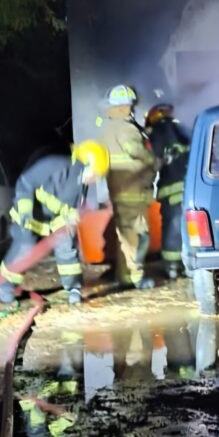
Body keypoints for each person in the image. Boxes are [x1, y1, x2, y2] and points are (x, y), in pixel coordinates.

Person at [0, 140, 110, 305]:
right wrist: (25, 211)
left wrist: (72, 217)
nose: (95, 178)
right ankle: (5, 287)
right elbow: (26, 182)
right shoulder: (55, 164)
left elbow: (71, 204)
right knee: (25, 250)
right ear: (86, 162)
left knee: (67, 248)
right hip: (31, 215)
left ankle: (73, 289)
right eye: (96, 173)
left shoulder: (81, 182)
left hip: (55, 219)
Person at [96, 84, 157, 289]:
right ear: (124, 107)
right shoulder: (126, 128)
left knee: (125, 235)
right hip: (134, 192)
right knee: (139, 236)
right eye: (130, 106)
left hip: (119, 191)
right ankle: (137, 277)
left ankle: (125, 276)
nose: (133, 110)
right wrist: (153, 159)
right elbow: (134, 149)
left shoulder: (107, 130)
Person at [145, 103, 190, 279]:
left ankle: (172, 266)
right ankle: (189, 264)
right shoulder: (183, 130)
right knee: (189, 227)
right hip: (191, 188)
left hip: (171, 190)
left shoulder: (157, 133)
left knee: (173, 226)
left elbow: (153, 163)